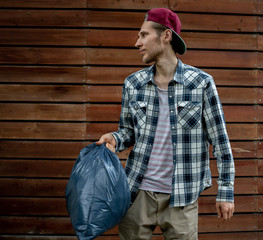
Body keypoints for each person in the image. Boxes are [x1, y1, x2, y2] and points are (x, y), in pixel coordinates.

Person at [96, 8, 235, 240]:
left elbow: (221, 143)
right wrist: (115, 138)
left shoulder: (201, 83)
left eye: (143, 35)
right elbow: (128, 132)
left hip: (182, 196)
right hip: (136, 193)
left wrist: (226, 192)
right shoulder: (133, 83)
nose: (137, 43)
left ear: (166, 36)